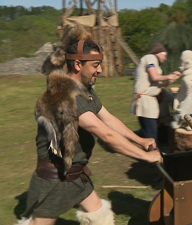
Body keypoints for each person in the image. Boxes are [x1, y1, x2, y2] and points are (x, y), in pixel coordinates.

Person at [16, 27, 163, 225]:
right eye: (96, 65)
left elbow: (108, 119)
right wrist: (144, 156)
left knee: (100, 216)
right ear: (77, 64)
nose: (100, 70)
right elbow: (106, 135)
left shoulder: (84, 90)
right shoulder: (65, 97)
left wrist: (140, 140)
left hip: (76, 174)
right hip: (56, 180)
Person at [130, 43, 181, 145]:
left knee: (150, 132)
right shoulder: (150, 57)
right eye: (165, 55)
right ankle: (153, 158)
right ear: (159, 53)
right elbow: (154, 76)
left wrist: (172, 79)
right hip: (145, 101)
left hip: (149, 100)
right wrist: (169, 76)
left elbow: (158, 87)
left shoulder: (153, 60)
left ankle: (152, 155)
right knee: (150, 134)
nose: (165, 58)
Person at [171, 50, 192, 130]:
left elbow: (184, 97)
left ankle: (185, 120)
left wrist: (177, 104)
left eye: (181, 61)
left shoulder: (187, 79)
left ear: (187, 64)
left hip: (188, 110)